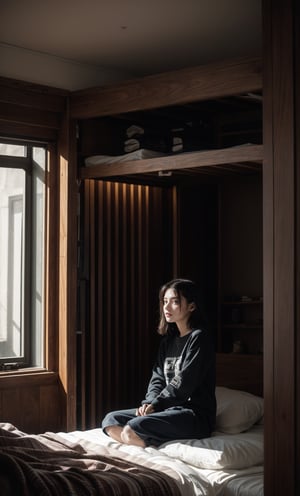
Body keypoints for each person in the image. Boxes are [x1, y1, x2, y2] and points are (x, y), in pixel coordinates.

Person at [102, 278, 216, 447]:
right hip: (166, 410)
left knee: (133, 427)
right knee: (111, 420)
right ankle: (138, 440)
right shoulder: (168, 341)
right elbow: (158, 378)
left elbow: (184, 381)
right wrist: (148, 402)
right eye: (165, 302)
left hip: (193, 415)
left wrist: (156, 404)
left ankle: (138, 440)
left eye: (175, 302)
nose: (167, 307)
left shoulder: (199, 338)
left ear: (192, 306)